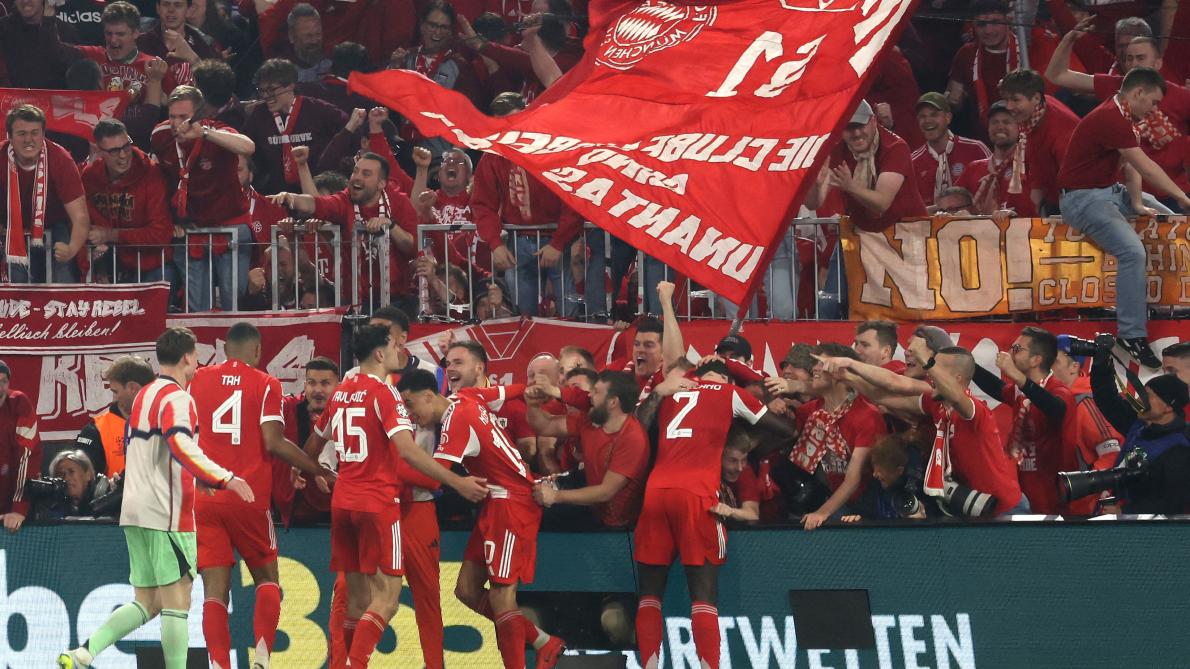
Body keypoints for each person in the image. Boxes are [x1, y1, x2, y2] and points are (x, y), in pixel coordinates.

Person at [58, 327, 254, 669]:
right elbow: (180, 446)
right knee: (178, 602)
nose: (195, 365)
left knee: (147, 603)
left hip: (135, 510)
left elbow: (152, 452)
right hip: (167, 514)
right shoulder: (178, 398)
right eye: (194, 359)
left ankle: (83, 652)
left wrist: (196, 479)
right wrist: (223, 477)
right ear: (188, 358)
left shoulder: (144, 396)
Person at [305, 324, 486, 666]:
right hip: (378, 505)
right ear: (379, 353)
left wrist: (304, 470)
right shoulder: (384, 393)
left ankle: (342, 662)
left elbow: (314, 443)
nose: (399, 352)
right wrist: (457, 482)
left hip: (343, 503)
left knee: (356, 601)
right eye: (393, 347)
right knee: (386, 600)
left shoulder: (341, 391)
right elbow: (407, 451)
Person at [396, 369, 566, 669]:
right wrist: (527, 390)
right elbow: (507, 392)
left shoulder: (455, 421)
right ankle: (544, 642)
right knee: (466, 590)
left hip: (511, 505)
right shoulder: (467, 396)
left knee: (502, 599)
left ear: (428, 396)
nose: (410, 414)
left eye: (410, 405)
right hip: (496, 503)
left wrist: (385, 469)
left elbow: (435, 478)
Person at [189, 322, 331, 669]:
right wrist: (316, 469)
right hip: (247, 497)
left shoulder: (199, 379)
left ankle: (220, 664)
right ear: (257, 352)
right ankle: (262, 660)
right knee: (267, 580)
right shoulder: (265, 383)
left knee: (214, 594)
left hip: (205, 498)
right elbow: (273, 442)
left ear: (225, 350)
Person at [634, 360, 785, 669]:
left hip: (656, 490)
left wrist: (659, 391)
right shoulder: (729, 392)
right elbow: (786, 429)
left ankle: (649, 665)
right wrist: (752, 447)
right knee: (703, 595)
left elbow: (637, 427)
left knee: (649, 594)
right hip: (696, 494)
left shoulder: (670, 391)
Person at [1057, 68, 1190, 369]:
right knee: (1131, 251)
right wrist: (1182, 196)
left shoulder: (1126, 115)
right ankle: (1131, 335)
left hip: (1108, 191)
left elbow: (1130, 167)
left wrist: (1136, 203)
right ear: (1138, 93)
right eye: (1154, 102)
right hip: (1082, 199)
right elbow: (1144, 166)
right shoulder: (1110, 117)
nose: (1155, 109)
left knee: (1175, 224)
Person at [821, 341, 1025, 516]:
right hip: (969, 505)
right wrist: (849, 374)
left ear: (957, 380)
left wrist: (926, 359)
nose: (930, 373)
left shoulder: (975, 411)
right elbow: (884, 396)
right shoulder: (934, 403)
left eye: (937, 368)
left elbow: (956, 397)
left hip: (1004, 508)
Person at [1047, 26, 1190, 208]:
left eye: (1141, 58)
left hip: (1175, 192)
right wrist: (1068, 39)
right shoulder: (1116, 86)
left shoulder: (1181, 95)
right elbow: (1056, 75)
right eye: (1129, 58)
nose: (1134, 64)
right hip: (1128, 193)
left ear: (1158, 63)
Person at [471, 91, 583, 316]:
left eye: (513, 119)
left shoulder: (554, 148)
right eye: (501, 122)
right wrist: (495, 244)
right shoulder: (493, 155)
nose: (509, 126)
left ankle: (570, 351)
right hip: (517, 241)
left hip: (556, 239)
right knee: (523, 317)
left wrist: (559, 242)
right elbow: (483, 204)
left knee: (567, 315)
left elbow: (574, 197)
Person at [269, 149, 420, 313]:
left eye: (366, 174)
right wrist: (292, 197)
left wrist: (390, 225)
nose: (357, 177)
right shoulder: (345, 199)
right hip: (354, 300)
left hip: (395, 301)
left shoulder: (399, 202)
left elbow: (411, 248)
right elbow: (317, 204)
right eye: (356, 171)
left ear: (381, 184)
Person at [151, 85, 256, 311]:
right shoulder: (160, 136)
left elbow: (248, 147)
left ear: (200, 115)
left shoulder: (216, 131)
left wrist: (204, 134)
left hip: (230, 225)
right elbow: (162, 182)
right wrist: (173, 220)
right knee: (196, 306)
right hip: (192, 229)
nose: (176, 123)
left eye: (183, 117)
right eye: (172, 116)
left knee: (232, 301)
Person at [766, 343, 887, 529]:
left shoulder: (866, 415)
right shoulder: (811, 412)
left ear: (840, 372)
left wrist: (822, 513)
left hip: (866, 505)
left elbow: (854, 480)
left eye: (821, 363)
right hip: (829, 495)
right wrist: (770, 407)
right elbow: (777, 441)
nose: (814, 368)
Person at [526, 370, 649, 529]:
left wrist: (555, 496)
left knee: (532, 513)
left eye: (596, 392)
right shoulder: (591, 420)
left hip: (615, 522)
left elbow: (606, 492)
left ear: (613, 402)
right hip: (591, 499)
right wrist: (532, 404)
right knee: (525, 498)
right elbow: (545, 425)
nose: (589, 396)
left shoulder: (633, 438)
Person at [970, 326, 1074, 515]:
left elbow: (1056, 408)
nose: (1010, 353)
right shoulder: (1020, 391)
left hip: (1053, 498)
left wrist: (1017, 377)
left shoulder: (1059, 391)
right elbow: (997, 388)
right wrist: (966, 364)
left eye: (1017, 349)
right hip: (1024, 491)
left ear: (1036, 359)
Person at [1089, 343, 1190, 514]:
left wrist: (1126, 512)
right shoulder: (1143, 422)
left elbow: (1173, 501)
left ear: (1169, 407)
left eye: (1172, 371)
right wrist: (1101, 365)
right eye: (1165, 371)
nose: (1167, 377)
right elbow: (1110, 402)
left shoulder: (1179, 443)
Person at [806, 99, 927, 233]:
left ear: (873, 121)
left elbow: (882, 203)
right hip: (866, 235)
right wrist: (816, 186)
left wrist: (850, 187)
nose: (857, 133)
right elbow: (813, 204)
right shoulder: (837, 149)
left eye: (861, 126)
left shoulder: (894, 147)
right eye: (850, 127)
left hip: (908, 232)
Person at [1, 104, 91, 283]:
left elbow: (80, 217)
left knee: (62, 274)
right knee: (16, 280)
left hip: (54, 223)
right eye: (22, 133)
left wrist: (71, 249)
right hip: (11, 226)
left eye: (35, 133)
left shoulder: (61, 159)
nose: (29, 140)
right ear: (9, 137)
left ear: (43, 134)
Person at [83, 119, 176, 282]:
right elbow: (83, 220)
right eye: (114, 151)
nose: (123, 155)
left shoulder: (151, 174)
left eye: (126, 146)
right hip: (110, 265)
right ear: (99, 151)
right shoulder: (89, 176)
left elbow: (160, 234)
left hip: (154, 266)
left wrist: (110, 235)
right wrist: (93, 239)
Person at [244, 58, 347, 195]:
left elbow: (349, 129)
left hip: (316, 193)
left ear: (291, 85)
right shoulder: (259, 115)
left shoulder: (317, 110)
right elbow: (247, 149)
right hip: (277, 194)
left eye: (272, 89)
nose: (266, 96)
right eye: (262, 91)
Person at [1051, 337, 1122, 514]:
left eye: (1054, 361)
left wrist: (1086, 498)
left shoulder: (1086, 401)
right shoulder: (1057, 400)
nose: (1046, 366)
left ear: (1074, 367)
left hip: (1085, 511)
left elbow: (1112, 455)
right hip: (1064, 506)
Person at [997, 69, 1079, 212]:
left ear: (1035, 98)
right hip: (1053, 198)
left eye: (1015, 100)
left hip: (1078, 202)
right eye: (1006, 100)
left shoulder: (1060, 131)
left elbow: (1076, 184)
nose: (1009, 107)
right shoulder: (1036, 111)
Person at [57, 2, 181, 97]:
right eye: (108, 33)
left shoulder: (154, 67)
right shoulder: (90, 55)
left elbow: (177, 103)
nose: (113, 40)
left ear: (136, 33)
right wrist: (48, 14)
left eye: (120, 34)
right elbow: (56, 50)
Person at [274, 356, 340, 527]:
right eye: (311, 383)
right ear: (304, 385)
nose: (317, 390)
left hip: (336, 512)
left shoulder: (348, 414)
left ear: (338, 386)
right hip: (290, 513)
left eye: (325, 383)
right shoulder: (288, 408)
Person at [73, 355, 156, 478]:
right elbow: (84, 484)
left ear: (132, 388)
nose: (114, 399)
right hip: (116, 497)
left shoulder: (166, 421)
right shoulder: (95, 430)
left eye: (115, 392)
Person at [954, 100, 1037, 217]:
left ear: (1019, 128)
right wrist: (958, 213)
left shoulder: (1029, 164)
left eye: (1006, 122)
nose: (1000, 126)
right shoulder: (973, 168)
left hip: (1021, 232)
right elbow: (952, 202)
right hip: (979, 233)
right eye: (994, 122)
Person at [910, 92, 990, 205]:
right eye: (922, 116)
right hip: (929, 222)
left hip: (973, 221)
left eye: (934, 115)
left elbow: (995, 189)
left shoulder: (976, 149)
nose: (927, 121)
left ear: (948, 118)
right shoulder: (913, 162)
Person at [136, 0, 221, 87]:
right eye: (166, 4)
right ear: (158, 8)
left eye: (178, 5)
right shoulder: (141, 42)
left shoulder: (203, 44)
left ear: (188, 10)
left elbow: (215, 89)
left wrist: (193, 58)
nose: (171, 10)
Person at [0, 360, 39, 534]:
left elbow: (27, 456)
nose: (0, 387)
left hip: (11, 507)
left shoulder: (18, 403)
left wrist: (19, 506)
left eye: (3, 381)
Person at [716, 431, 760, 525]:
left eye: (743, 460)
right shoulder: (705, 473)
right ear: (719, 457)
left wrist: (731, 511)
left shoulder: (745, 472)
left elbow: (753, 515)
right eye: (733, 461)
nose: (740, 468)